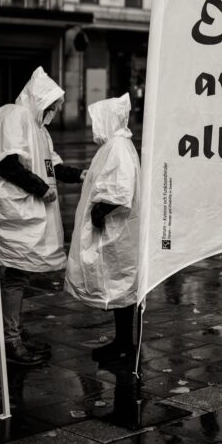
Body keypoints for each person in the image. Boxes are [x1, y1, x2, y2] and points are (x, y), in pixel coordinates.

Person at [0, 67, 85, 365]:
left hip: (21, 214)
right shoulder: (15, 116)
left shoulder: (38, 128)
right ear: (42, 100)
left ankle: (14, 332)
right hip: (12, 213)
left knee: (18, 273)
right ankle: (11, 341)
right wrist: (41, 189)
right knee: (14, 275)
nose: (54, 111)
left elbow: (52, 166)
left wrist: (81, 175)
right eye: (53, 106)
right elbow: (7, 163)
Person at [64, 94, 140, 363]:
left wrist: (98, 213)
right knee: (121, 286)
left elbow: (121, 190)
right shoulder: (116, 145)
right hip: (116, 230)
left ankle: (124, 345)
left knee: (121, 285)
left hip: (116, 231)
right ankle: (122, 342)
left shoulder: (118, 147)